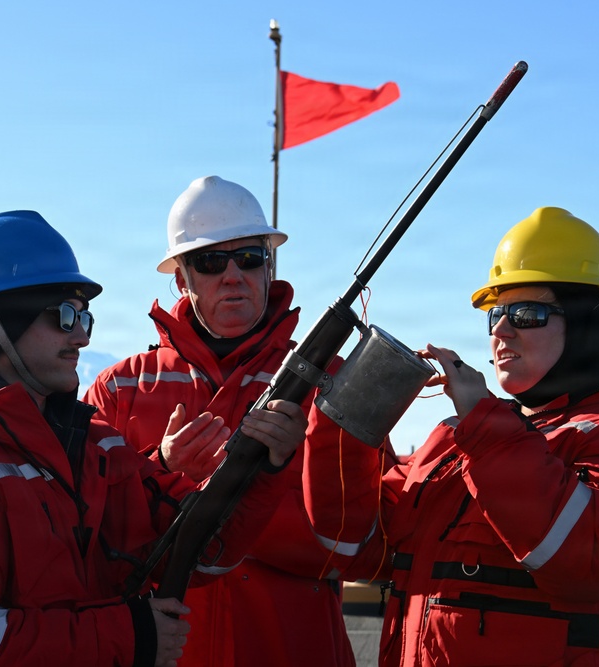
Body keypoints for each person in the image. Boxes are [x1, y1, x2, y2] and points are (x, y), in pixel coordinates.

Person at [0, 210, 302, 667]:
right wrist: (130, 634)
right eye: (63, 314)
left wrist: (264, 467)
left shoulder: (95, 446)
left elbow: (198, 551)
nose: (80, 335)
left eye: (84, 316)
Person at [302, 206, 599, 666]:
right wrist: (344, 421)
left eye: (527, 314)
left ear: (589, 326)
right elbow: (355, 548)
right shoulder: (456, 440)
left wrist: (483, 423)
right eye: (497, 315)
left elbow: (589, 561)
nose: (502, 330)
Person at [84, 176, 382, 667]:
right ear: (181, 278)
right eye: (209, 261)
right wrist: (159, 470)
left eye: (248, 258)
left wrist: (263, 485)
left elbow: (362, 549)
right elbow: (86, 532)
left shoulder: (333, 382)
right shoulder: (119, 388)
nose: (232, 276)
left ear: (269, 266)